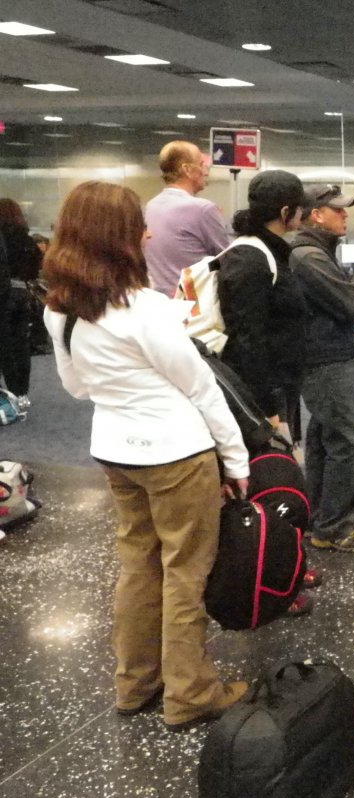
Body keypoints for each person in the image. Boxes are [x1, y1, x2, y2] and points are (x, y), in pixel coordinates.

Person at [41, 181, 249, 731]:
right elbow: (201, 388)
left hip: (115, 450)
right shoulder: (145, 308)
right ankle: (191, 693)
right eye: (138, 224)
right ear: (120, 238)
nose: (148, 232)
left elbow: (76, 388)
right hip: (178, 453)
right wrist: (237, 460)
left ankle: (134, 685)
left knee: (137, 566)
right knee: (186, 572)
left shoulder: (59, 311)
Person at [219, 170, 319, 610]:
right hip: (258, 398)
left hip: (279, 388)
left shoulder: (270, 251)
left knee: (278, 480)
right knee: (268, 486)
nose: (305, 213)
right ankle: (269, 578)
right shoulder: (251, 258)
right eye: (301, 207)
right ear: (285, 212)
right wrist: (271, 410)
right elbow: (248, 343)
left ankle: (287, 566)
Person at [287, 184, 354, 552]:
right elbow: (352, 300)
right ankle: (330, 524)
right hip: (324, 360)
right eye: (338, 210)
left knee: (324, 440)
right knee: (349, 443)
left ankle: (317, 518)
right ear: (316, 214)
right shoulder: (309, 257)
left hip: (324, 355)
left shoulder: (318, 252)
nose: (346, 215)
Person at [143, 141, 230, 297]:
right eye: (202, 164)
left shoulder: (150, 206)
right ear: (187, 169)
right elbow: (227, 262)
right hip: (194, 308)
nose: (206, 171)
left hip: (159, 303)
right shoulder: (203, 209)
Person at [0, 198, 44, 412]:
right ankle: (22, 393)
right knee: (21, 345)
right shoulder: (26, 239)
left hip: (4, 295)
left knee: (5, 346)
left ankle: (8, 395)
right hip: (23, 294)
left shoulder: (3, 239)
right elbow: (36, 267)